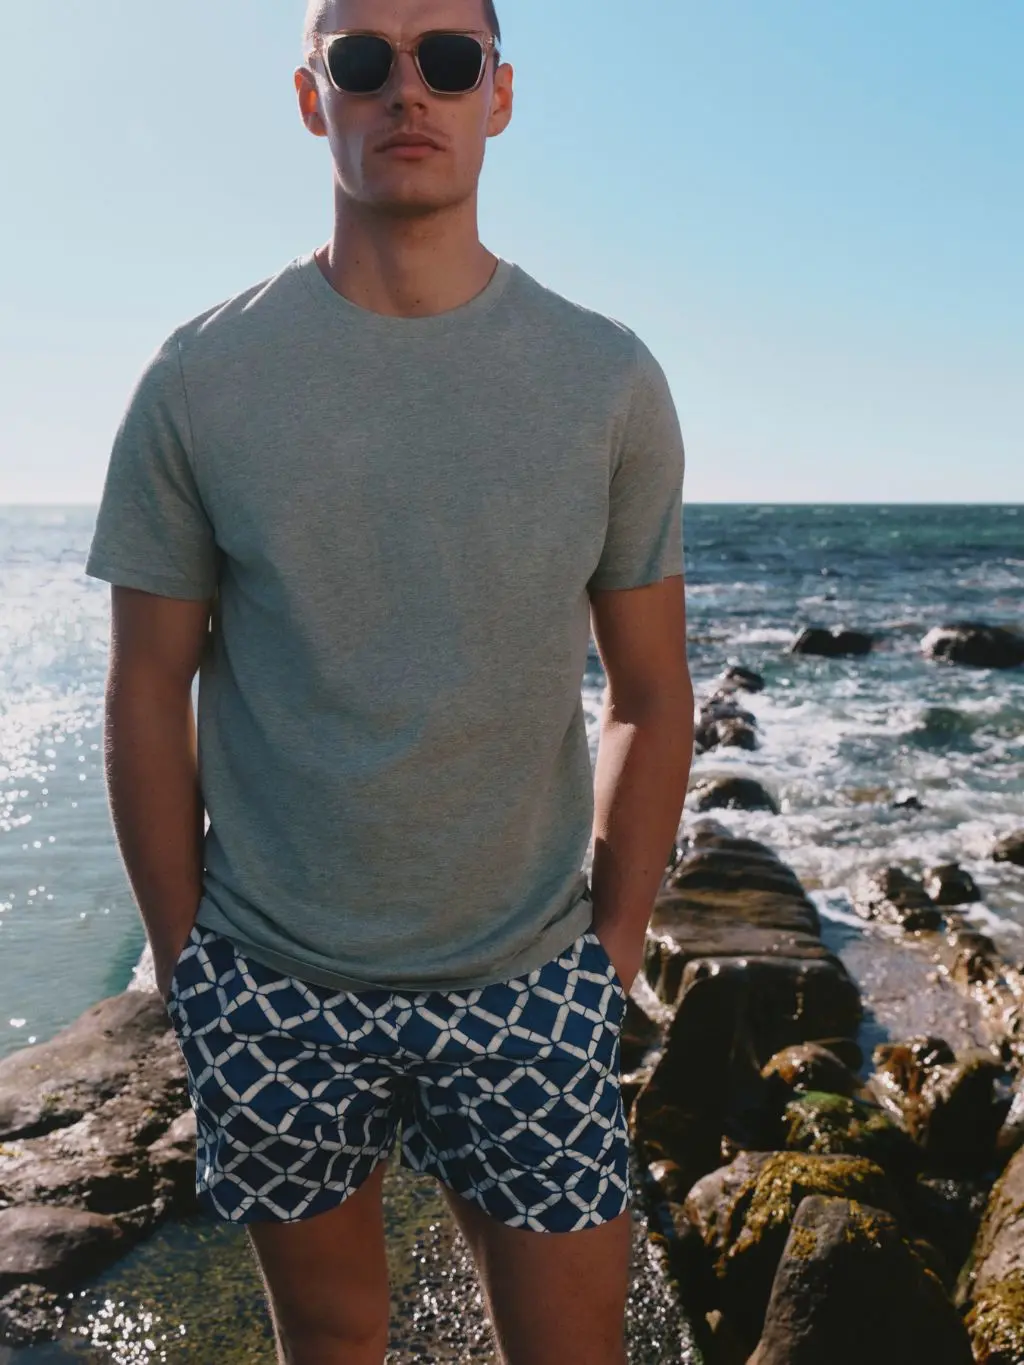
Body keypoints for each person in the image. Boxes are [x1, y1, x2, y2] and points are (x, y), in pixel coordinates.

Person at [85, 0, 694, 1360]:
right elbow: (146, 690)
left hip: (531, 975)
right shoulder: (198, 380)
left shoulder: (607, 379)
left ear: (499, 94)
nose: (407, 90)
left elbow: (651, 691)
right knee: (332, 1347)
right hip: (271, 978)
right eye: (362, 60)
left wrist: (613, 951)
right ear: (315, 98)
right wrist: (189, 966)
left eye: (448, 58)